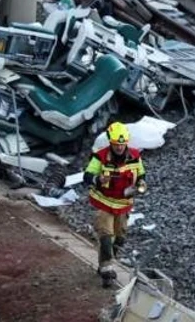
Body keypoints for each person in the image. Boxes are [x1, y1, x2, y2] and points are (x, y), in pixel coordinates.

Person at [83, 121, 146, 287]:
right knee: (106, 236)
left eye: (122, 144)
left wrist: (141, 184)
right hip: (104, 203)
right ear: (111, 142)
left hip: (123, 205)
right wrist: (98, 179)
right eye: (116, 144)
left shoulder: (134, 156)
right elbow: (87, 176)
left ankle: (109, 259)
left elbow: (141, 175)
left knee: (120, 238)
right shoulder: (100, 157)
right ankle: (107, 270)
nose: (119, 147)